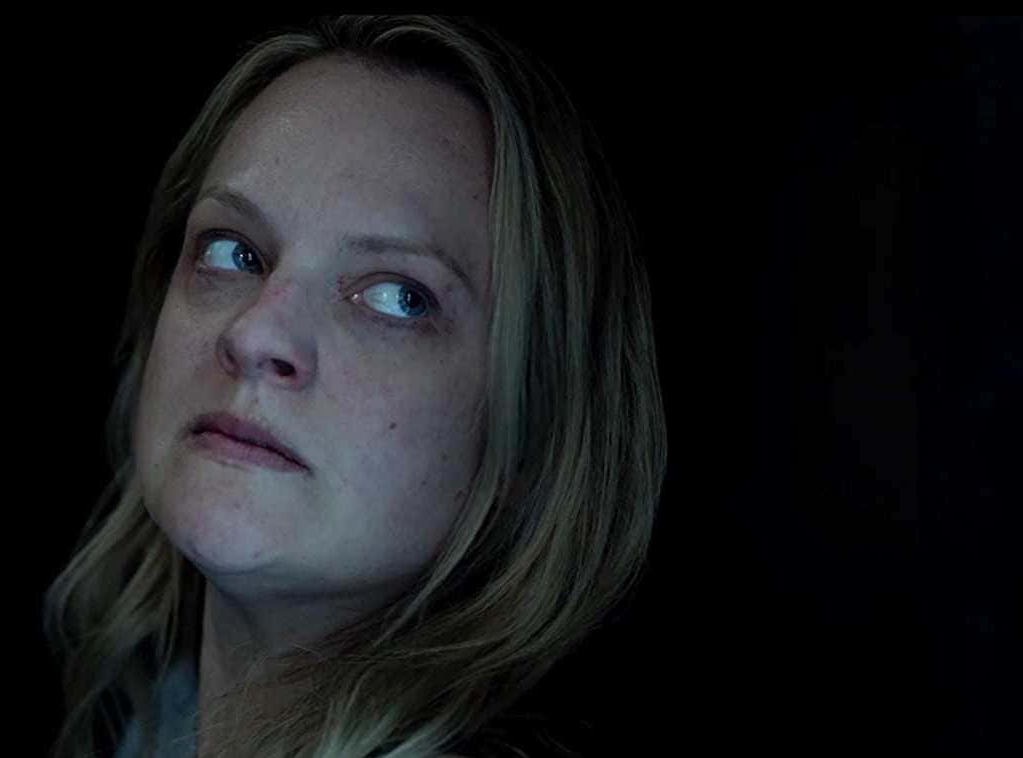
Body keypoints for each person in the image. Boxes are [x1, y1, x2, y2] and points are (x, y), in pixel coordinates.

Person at [45, 15, 666, 758]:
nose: (254, 334)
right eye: (232, 251)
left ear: (538, 416)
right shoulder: (140, 726)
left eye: (398, 298)